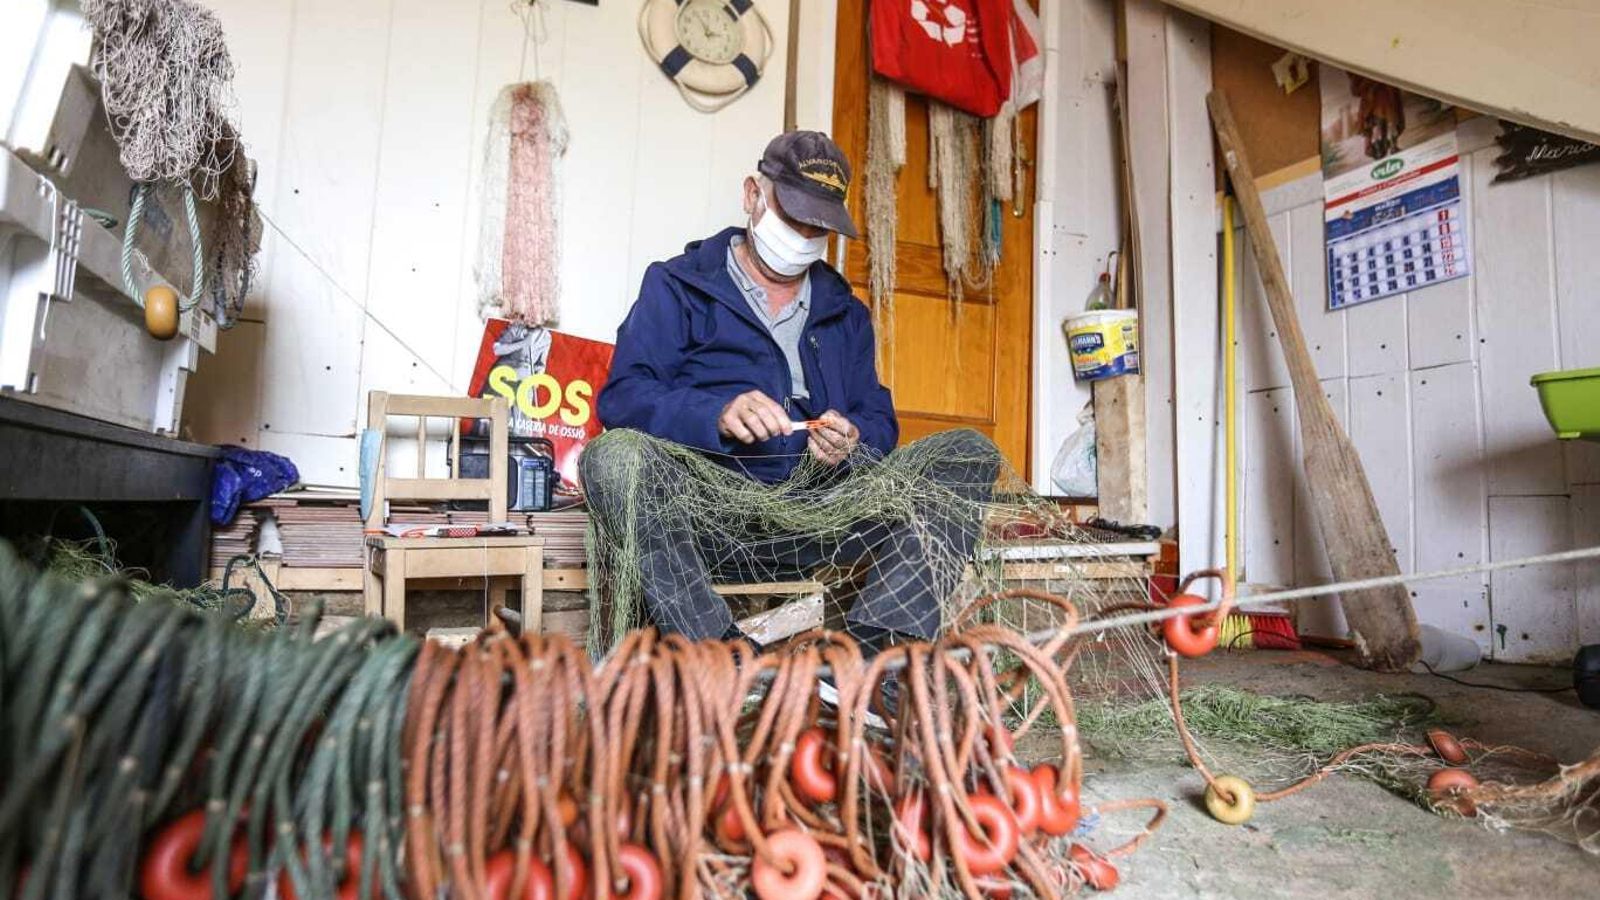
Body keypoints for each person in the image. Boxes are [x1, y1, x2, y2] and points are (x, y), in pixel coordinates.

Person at [581, 131, 1000, 657]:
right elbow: (624, 397)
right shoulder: (677, 286)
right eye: (793, 214)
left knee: (966, 453)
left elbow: (878, 416)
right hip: (702, 520)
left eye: (818, 224)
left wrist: (854, 437)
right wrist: (716, 414)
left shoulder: (844, 312)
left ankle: (878, 656)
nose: (803, 234)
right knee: (613, 458)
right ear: (753, 195)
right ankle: (721, 653)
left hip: (822, 514)